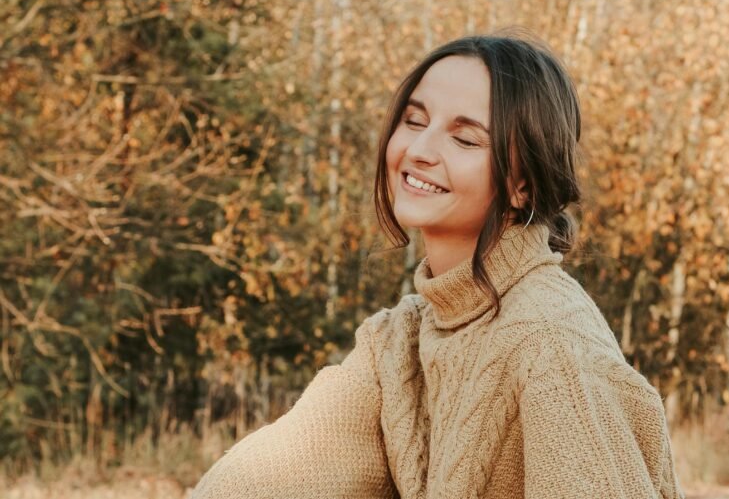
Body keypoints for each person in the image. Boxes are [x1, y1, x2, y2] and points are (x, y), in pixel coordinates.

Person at [190, 32, 686, 499]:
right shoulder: (398, 341)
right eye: (414, 120)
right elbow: (255, 483)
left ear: (524, 184)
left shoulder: (550, 341)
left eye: (465, 139)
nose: (420, 151)